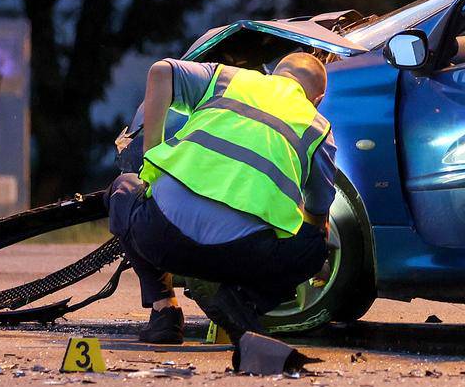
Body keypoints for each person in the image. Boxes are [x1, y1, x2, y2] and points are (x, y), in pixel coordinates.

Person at [106, 52, 337, 344]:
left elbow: (160, 72)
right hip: (240, 258)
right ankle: (243, 300)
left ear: (272, 73)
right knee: (314, 246)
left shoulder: (228, 79)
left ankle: (164, 310)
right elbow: (319, 215)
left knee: (123, 189)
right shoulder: (318, 128)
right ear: (318, 98)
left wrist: (150, 158)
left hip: (162, 237)